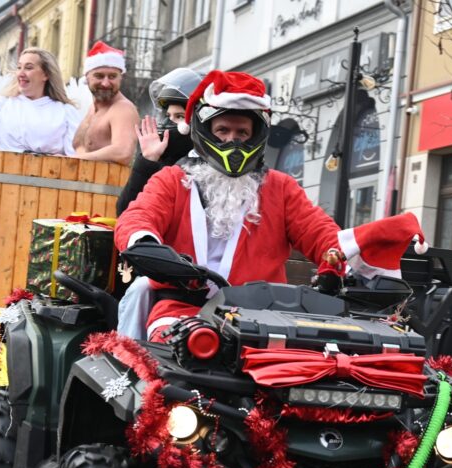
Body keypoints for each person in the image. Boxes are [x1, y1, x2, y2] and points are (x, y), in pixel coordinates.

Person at [113, 70, 428, 340]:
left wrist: (364, 249)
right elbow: (138, 216)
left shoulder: (280, 187)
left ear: (255, 136)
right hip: (183, 311)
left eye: (242, 132)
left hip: (264, 317)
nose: (232, 141)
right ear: (205, 132)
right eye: (222, 131)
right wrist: (145, 243)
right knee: (174, 376)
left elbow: (321, 236)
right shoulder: (172, 179)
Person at [116, 67, 201, 214]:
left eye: (179, 116)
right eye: (169, 116)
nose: (170, 122)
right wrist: (147, 160)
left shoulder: (202, 165)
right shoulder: (161, 158)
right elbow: (125, 211)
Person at [72, 41, 140, 164]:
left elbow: (123, 152)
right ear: (87, 77)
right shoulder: (92, 108)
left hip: (108, 183)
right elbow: (80, 150)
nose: (105, 83)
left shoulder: (123, 109)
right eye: (99, 76)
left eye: (112, 77)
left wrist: (71, 160)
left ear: (121, 78)